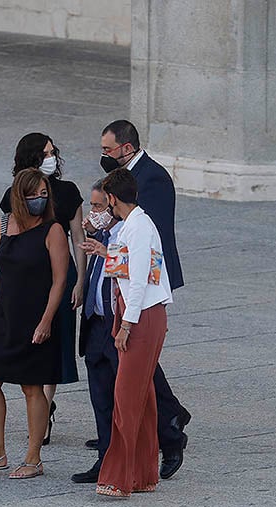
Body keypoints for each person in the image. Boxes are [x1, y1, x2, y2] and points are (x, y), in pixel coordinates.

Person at [98, 120, 191, 480]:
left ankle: (167, 427)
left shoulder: (152, 179)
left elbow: (147, 239)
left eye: (108, 150)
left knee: (140, 365)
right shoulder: (121, 182)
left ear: (127, 146)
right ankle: (129, 426)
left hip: (145, 283)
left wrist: (128, 319)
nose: (104, 156)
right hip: (128, 281)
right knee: (127, 363)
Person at [0, 169, 70, 479]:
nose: (41, 198)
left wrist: (47, 320)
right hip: (5, 315)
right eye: (34, 193)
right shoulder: (5, 225)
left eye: (44, 193)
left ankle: (33, 457)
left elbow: (60, 279)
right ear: (19, 196)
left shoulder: (52, 231)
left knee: (31, 386)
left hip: (36, 315)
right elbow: (0, 269)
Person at [0, 133, 86, 446]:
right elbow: (7, 240)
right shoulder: (16, 193)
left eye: (53, 152)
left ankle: (45, 406)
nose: (52, 158)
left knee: (55, 342)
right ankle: (39, 404)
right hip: (28, 275)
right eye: (45, 153)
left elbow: (79, 239)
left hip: (60, 271)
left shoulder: (67, 192)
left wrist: (80, 282)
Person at [95, 168, 173, 498]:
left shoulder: (139, 227)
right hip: (138, 313)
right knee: (143, 397)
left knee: (126, 398)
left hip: (141, 317)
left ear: (112, 198)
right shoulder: (134, 225)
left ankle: (119, 478)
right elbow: (132, 267)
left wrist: (126, 326)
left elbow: (141, 279)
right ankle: (142, 474)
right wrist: (104, 253)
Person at [70, 182, 122, 484]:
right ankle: (104, 458)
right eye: (92, 206)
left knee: (124, 398)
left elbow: (145, 272)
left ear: (114, 205)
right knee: (100, 397)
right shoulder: (99, 235)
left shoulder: (131, 233)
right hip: (96, 325)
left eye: (99, 207)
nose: (93, 213)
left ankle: (161, 442)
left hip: (118, 326)